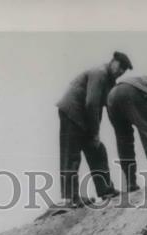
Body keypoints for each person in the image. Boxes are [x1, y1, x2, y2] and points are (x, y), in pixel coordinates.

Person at [55, 51, 133, 206]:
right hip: (71, 113)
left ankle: (106, 190)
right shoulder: (100, 73)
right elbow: (92, 103)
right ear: (113, 62)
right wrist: (95, 132)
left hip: (84, 118)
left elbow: (103, 108)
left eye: (124, 70)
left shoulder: (110, 82)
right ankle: (70, 199)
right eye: (120, 66)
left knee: (98, 151)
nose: (121, 71)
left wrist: (95, 132)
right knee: (71, 156)